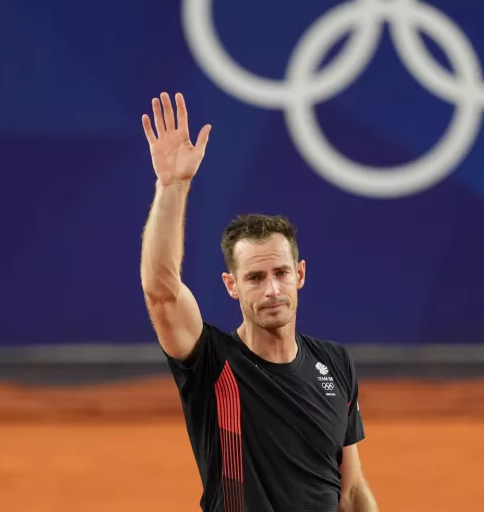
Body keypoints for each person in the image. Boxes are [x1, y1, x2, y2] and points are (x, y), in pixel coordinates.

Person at [139, 92, 379, 512]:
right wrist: (172, 186)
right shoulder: (211, 362)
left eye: (281, 273)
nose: (272, 290)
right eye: (254, 278)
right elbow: (161, 290)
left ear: (299, 274)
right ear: (231, 285)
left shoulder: (336, 363)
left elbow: (353, 490)